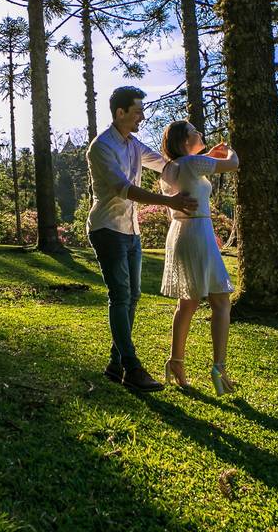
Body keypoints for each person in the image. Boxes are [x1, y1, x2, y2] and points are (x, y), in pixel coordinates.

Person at [86, 86, 197, 392]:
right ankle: (132, 367)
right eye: (137, 111)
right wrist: (170, 203)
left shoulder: (134, 145)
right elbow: (125, 189)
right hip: (107, 229)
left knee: (133, 296)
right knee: (120, 296)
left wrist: (201, 162)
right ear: (120, 112)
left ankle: (115, 363)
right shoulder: (101, 147)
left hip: (131, 231)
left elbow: (164, 164)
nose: (142, 117)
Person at [158, 120, 240, 395]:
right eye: (195, 132)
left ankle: (176, 362)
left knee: (188, 302)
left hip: (181, 231)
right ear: (184, 141)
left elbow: (196, 165)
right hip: (197, 232)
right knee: (220, 301)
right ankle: (219, 367)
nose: (201, 134)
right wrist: (228, 150)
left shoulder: (171, 168)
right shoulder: (192, 165)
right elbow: (233, 163)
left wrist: (208, 155)